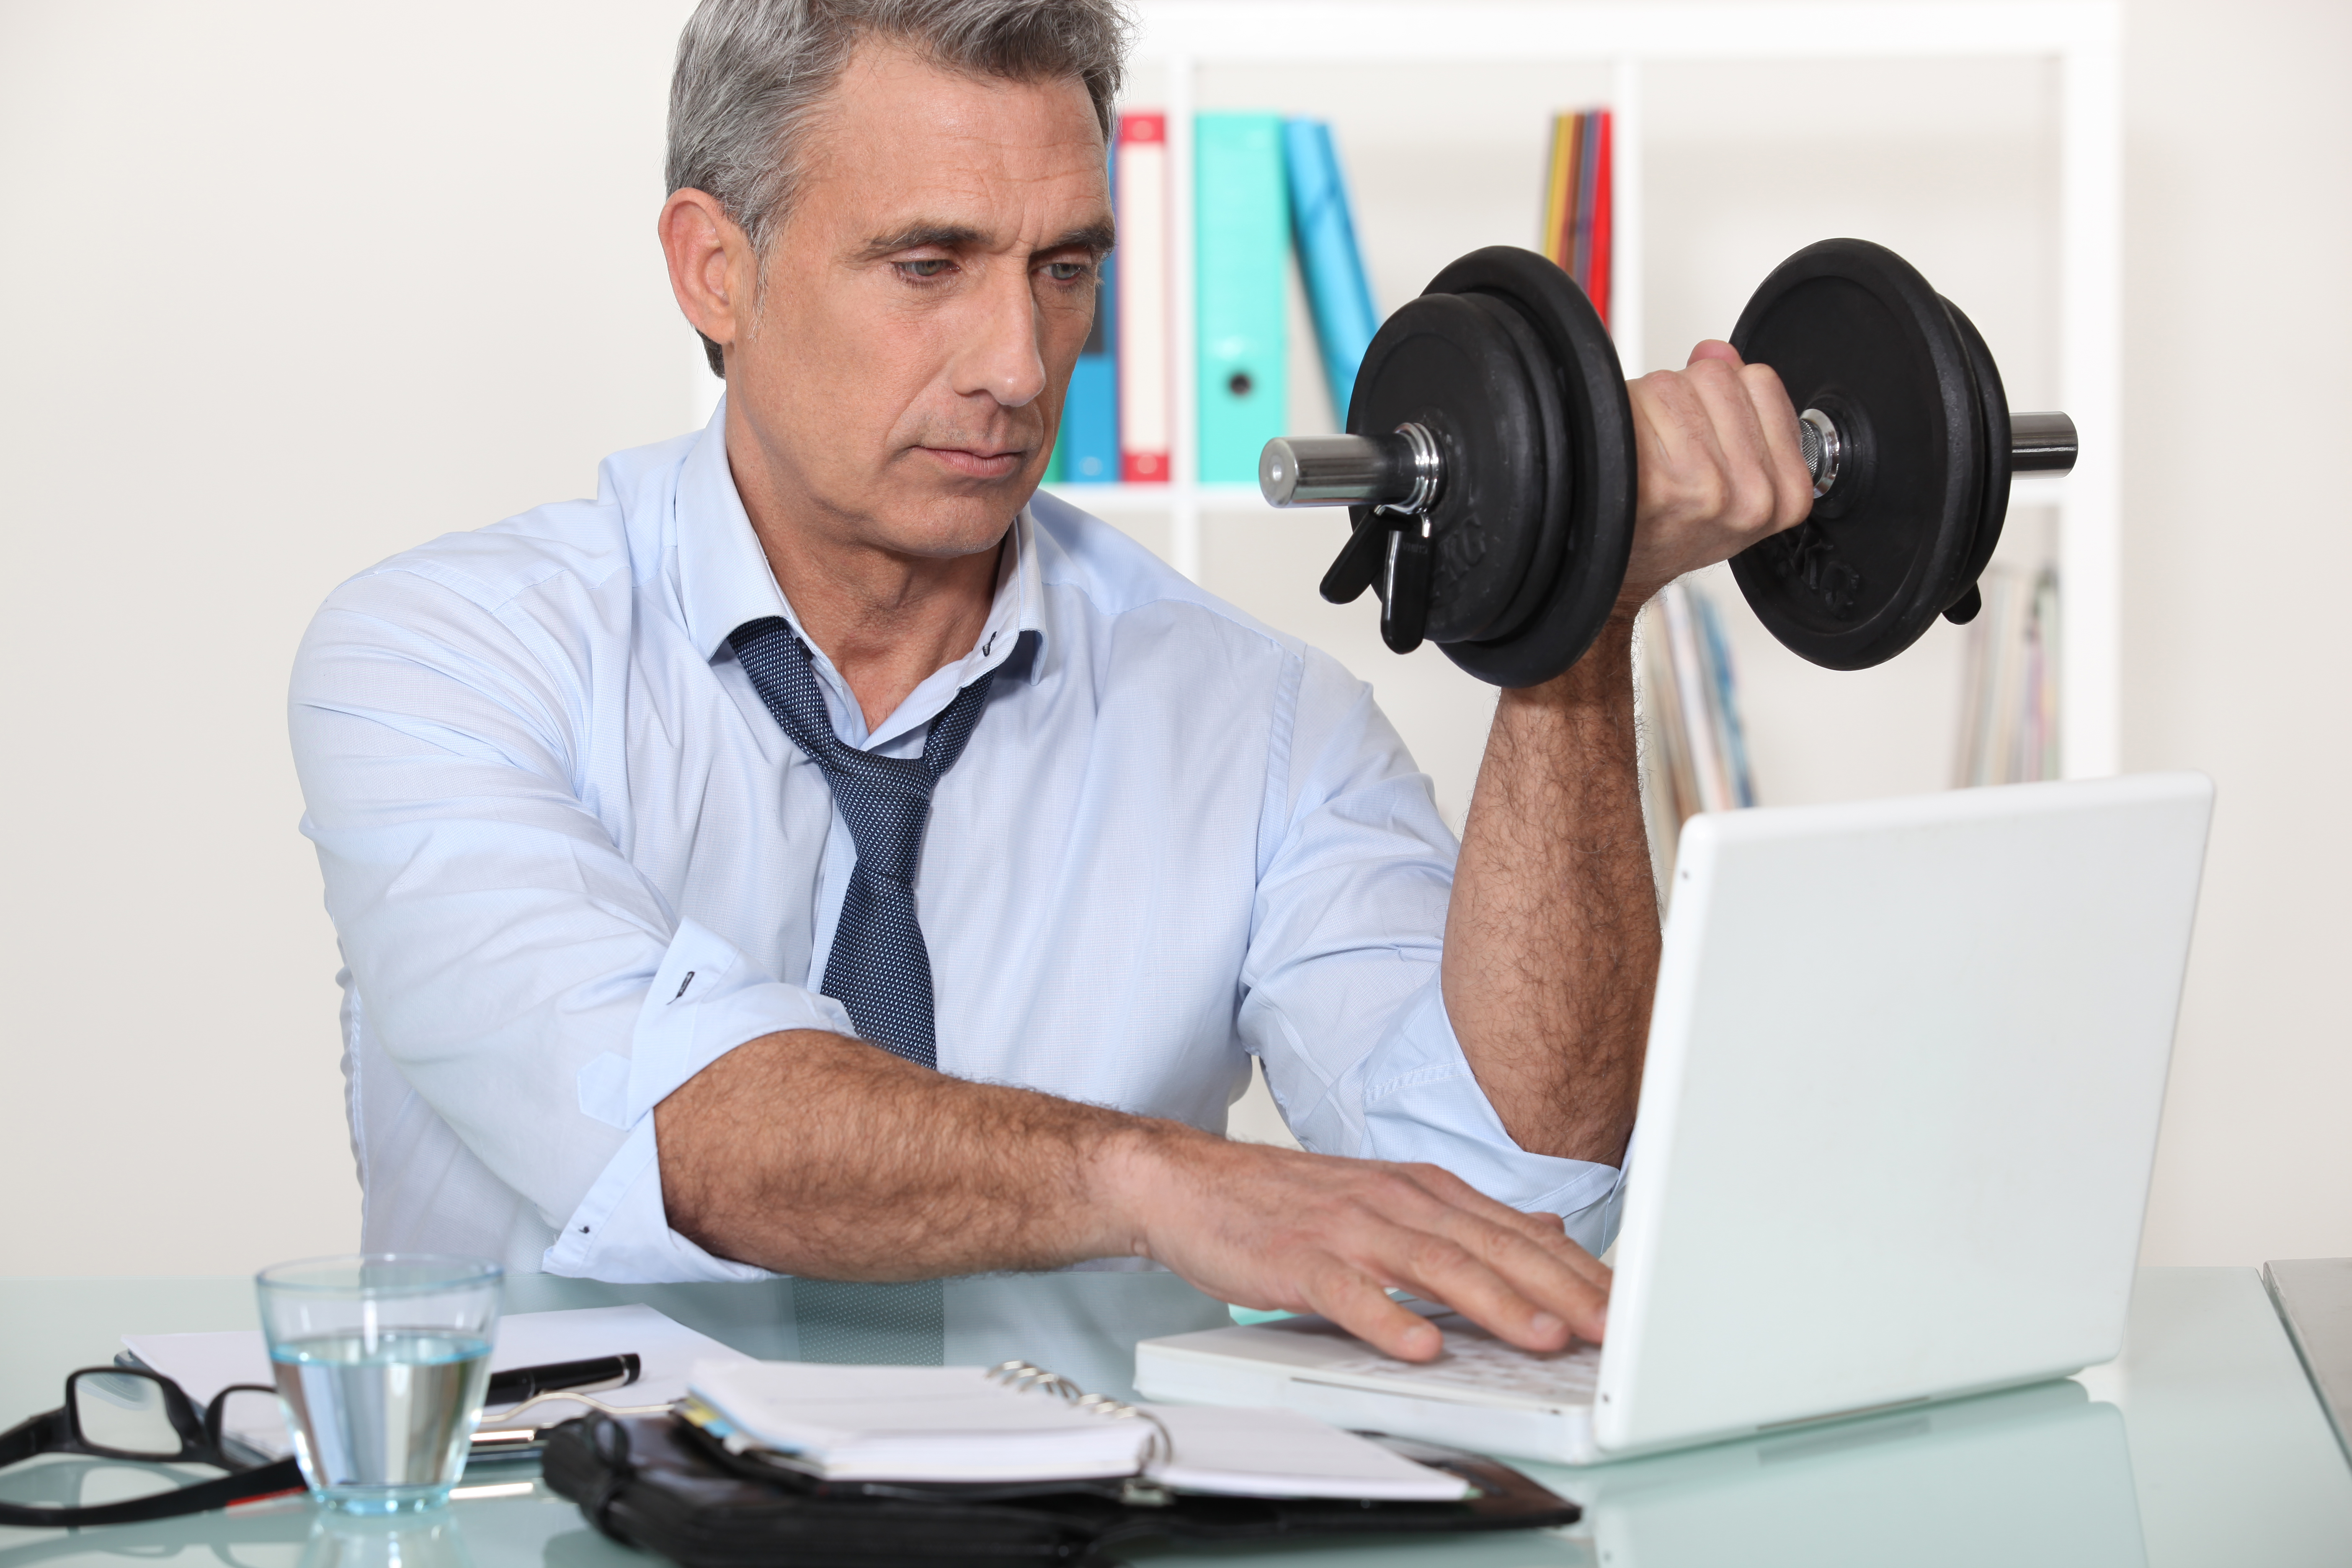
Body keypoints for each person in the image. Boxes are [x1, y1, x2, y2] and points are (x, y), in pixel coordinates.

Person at [289, 0, 1811, 1364]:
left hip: (1090, 1528)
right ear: (714, 268)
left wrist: (1576, 625)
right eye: (928, 265)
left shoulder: (1262, 724)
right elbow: (686, 1133)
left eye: (1064, 269)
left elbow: (1509, 1200)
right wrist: (1161, 1182)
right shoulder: (440, 663)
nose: (1018, 365)